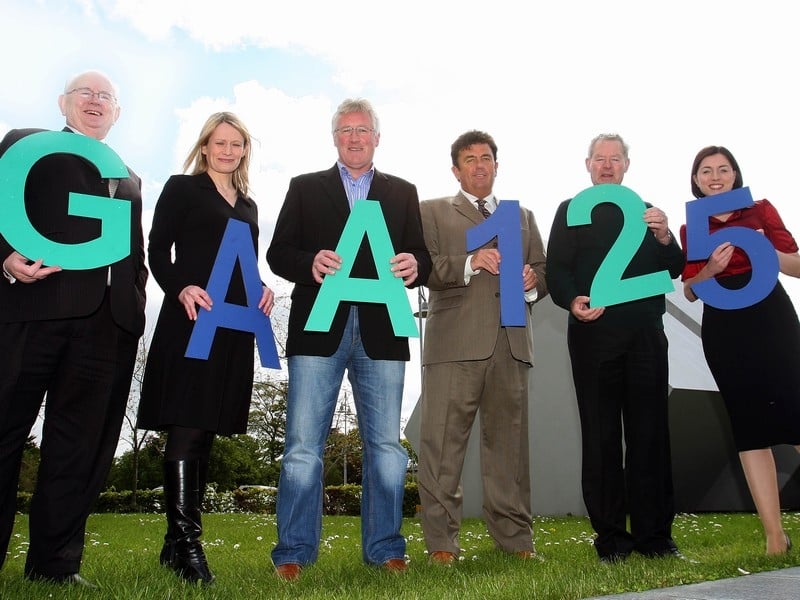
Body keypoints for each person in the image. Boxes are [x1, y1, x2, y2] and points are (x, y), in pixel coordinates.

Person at [266, 98, 431, 581]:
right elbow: (278, 253)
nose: (354, 138)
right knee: (301, 446)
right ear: (333, 137)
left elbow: (420, 253)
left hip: (383, 331)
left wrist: (413, 264)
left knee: (385, 446)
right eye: (345, 130)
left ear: (377, 138)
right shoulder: (304, 188)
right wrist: (307, 264)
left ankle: (385, 549)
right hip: (319, 327)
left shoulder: (402, 192)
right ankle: (293, 552)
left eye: (363, 130)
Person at [0, 70, 147, 587]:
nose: (95, 101)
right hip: (32, 313)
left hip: (107, 329)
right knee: (4, 435)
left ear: (117, 112)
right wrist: (4, 258)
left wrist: (134, 306)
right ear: (63, 102)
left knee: (79, 448)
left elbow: (136, 252)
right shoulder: (25, 147)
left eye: (106, 95)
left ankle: (55, 566)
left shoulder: (129, 175)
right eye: (85, 93)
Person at [137, 112, 274, 584]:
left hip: (233, 327)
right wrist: (182, 287)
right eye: (220, 142)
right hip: (192, 319)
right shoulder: (181, 188)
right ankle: (189, 543)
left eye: (237, 144)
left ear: (244, 150)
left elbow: (244, 264)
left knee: (207, 429)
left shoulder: (250, 205)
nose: (228, 151)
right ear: (205, 146)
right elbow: (156, 252)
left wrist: (262, 289)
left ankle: (174, 545)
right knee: (188, 422)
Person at [545, 133, 685, 563]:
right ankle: (612, 541)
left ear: (627, 165)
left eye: (615, 159)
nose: (607, 166)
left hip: (645, 334)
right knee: (601, 437)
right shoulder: (570, 211)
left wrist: (665, 239)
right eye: (599, 159)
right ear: (588, 165)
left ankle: (656, 539)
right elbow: (556, 270)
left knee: (650, 435)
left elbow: (675, 268)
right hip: (592, 337)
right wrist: (572, 300)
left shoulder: (648, 214)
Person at [416, 130, 548, 564]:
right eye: (469, 159)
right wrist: (470, 263)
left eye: (486, 158)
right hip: (454, 344)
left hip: (511, 343)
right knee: (441, 448)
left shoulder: (523, 216)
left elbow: (545, 272)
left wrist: (532, 283)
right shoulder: (432, 212)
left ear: (496, 164)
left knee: (510, 450)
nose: (479, 165)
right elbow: (422, 268)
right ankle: (441, 544)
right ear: (456, 169)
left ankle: (516, 541)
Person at [680, 145, 800, 555]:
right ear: (695, 180)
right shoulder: (691, 227)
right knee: (749, 427)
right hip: (725, 328)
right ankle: (773, 536)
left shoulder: (761, 210)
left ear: (735, 175)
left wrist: (771, 251)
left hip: (773, 318)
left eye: (723, 169)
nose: (715, 176)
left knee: (796, 412)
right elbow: (691, 292)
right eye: (706, 171)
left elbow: (797, 264)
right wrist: (708, 270)